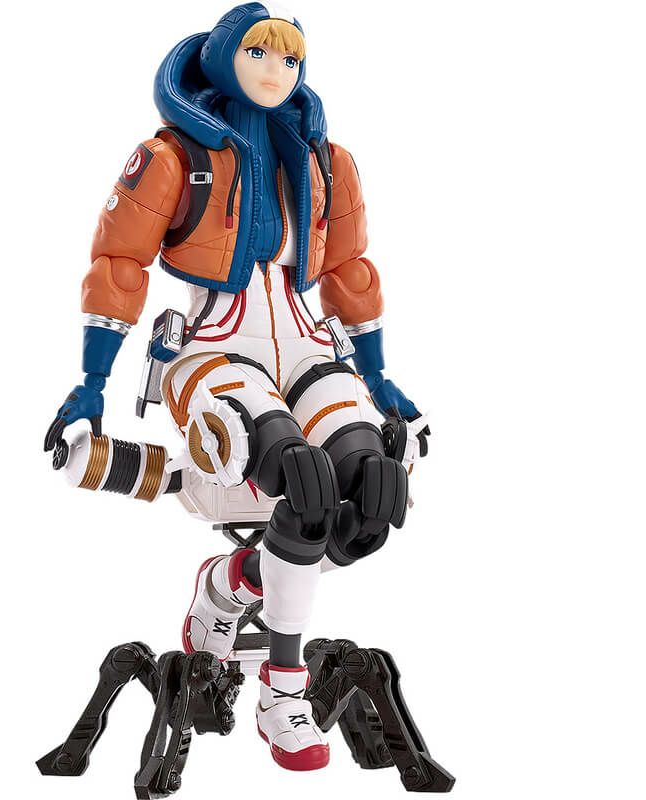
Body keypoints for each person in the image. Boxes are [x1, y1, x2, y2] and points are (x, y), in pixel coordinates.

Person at [44, 2, 428, 771]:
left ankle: (232, 584)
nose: (276, 71)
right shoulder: (172, 156)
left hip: (309, 344)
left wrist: (381, 379)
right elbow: (119, 263)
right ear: (224, 59)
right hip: (214, 346)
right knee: (299, 473)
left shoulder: (326, 161)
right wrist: (91, 382)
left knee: (372, 490)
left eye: (290, 59)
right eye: (259, 54)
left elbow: (350, 270)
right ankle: (283, 692)